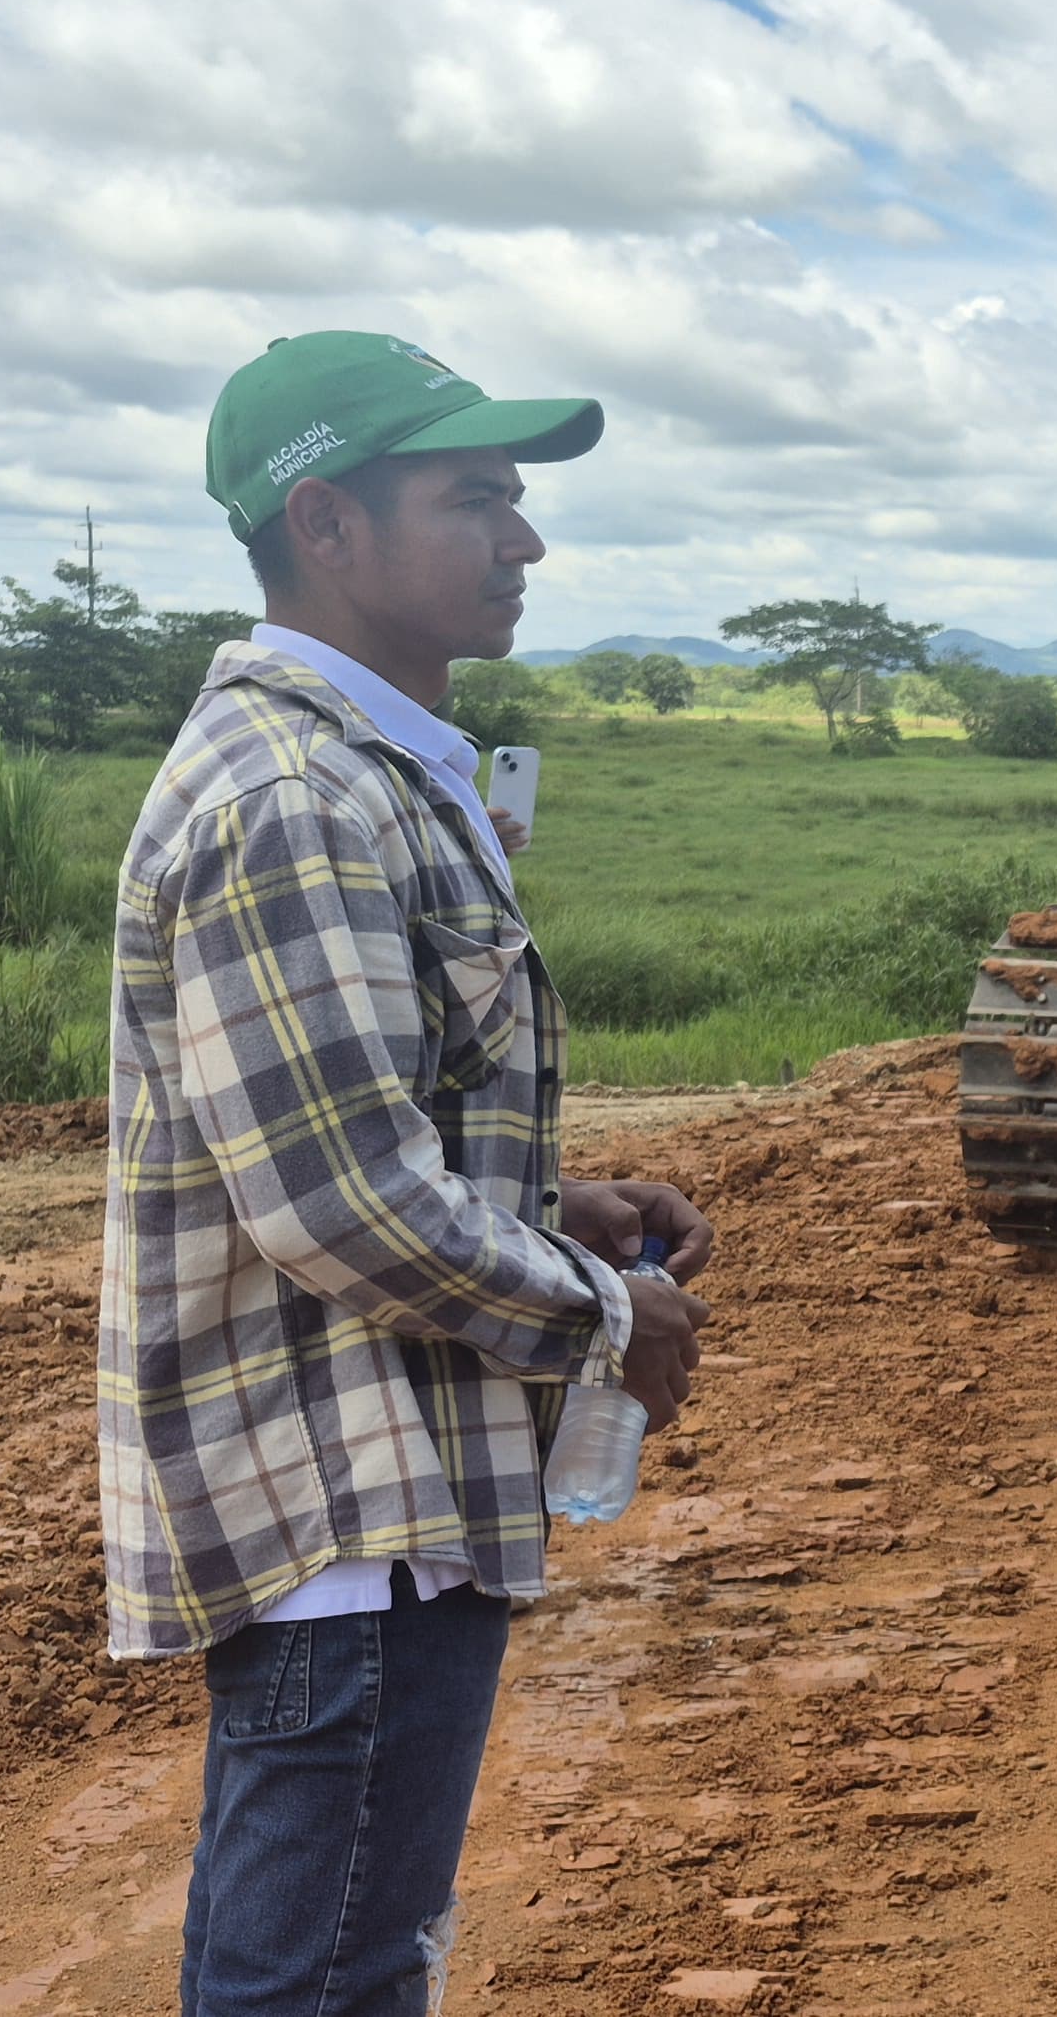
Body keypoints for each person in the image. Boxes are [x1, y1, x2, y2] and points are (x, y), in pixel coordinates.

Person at [101, 331, 720, 2017]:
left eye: (519, 500)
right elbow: (337, 1203)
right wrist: (606, 1313)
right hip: (346, 1513)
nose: (524, 540)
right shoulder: (295, 797)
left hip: (380, 1488)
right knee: (326, 1980)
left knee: (314, 1959)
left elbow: (362, 1126)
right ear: (328, 525)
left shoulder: (370, 772)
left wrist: (539, 1203)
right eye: (477, 499)